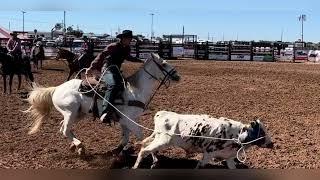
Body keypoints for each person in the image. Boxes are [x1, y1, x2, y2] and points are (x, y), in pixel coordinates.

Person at [85, 30, 144, 124]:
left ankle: (118, 108)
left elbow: (128, 57)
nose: (129, 40)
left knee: (125, 85)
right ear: (122, 38)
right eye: (128, 38)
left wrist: (141, 61)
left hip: (116, 70)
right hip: (107, 68)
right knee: (113, 84)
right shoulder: (113, 46)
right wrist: (91, 67)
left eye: (130, 39)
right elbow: (101, 56)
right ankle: (105, 111)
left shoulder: (127, 48)